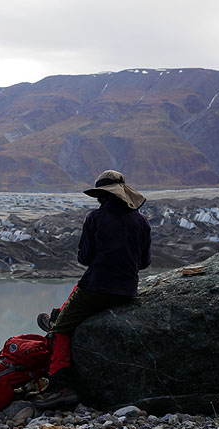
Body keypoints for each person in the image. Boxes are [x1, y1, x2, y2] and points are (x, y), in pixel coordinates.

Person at [35, 169, 152, 408]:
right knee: (71, 306)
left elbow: (85, 258)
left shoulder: (94, 218)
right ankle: (61, 314)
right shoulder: (141, 221)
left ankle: (62, 387)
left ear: (101, 195)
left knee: (60, 331)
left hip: (96, 288)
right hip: (128, 290)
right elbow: (144, 263)